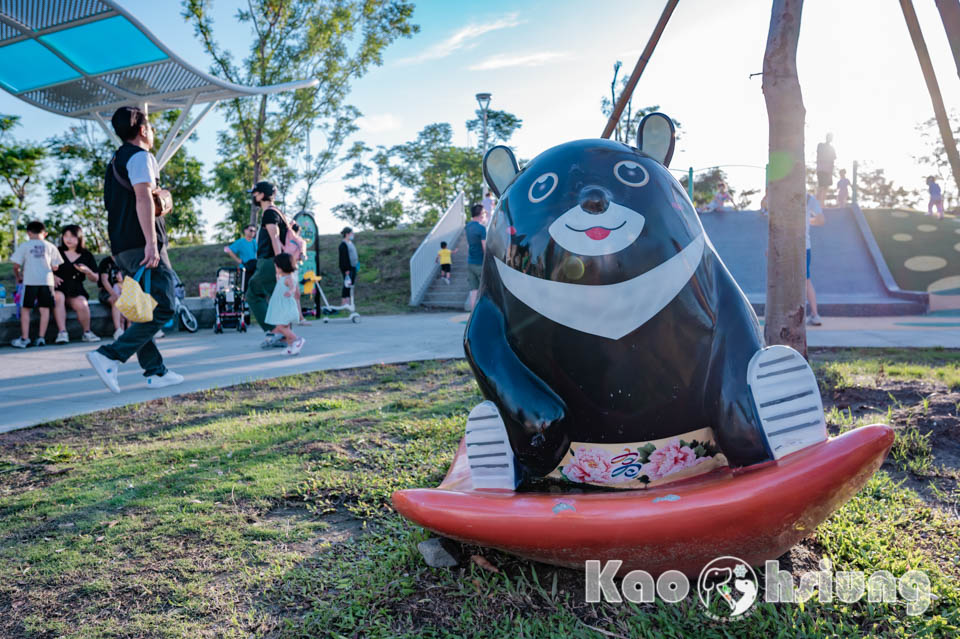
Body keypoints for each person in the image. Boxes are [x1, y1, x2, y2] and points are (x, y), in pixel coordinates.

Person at [85, 105, 184, 393]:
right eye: (150, 127)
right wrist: (152, 244)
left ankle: (155, 370)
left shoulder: (116, 160)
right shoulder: (141, 157)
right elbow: (143, 199)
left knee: (143, 309)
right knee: (165, 306)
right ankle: (109, 355)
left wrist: (116, 249)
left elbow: (113, 208)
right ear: (142, 129)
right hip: (142, 245)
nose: (152, 132)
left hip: (124, 246)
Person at [246, 181, 290, 348]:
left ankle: (277, 332)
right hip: (273, 261)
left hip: (269, 262)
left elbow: (275, 238)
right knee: (278, 299)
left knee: (253, 294)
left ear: (262, 194)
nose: (253, 196)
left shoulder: (269, 214)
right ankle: (283, 335)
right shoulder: (277, 212)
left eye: (255, 193)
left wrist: (279, 265)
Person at [9, 221, 62, 348]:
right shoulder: (51, 246)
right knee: (44, 309)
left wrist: (18, 276)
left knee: (25, 309)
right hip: (47, 282)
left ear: (28, 233)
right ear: (45, 233)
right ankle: (41, 338)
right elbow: (55, 267)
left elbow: (16, 266)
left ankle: (25, 338)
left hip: (30, 281)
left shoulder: (25, 246)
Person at [53, 224, 101, 344]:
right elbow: (43, 268)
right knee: (58, 297)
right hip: (58, 288)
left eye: (72, 236)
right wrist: (52, 276)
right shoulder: (56, 252)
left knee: (82, 303)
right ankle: (62, 333)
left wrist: (88, 271)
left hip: (76, 290)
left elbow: (95, 278)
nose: (68, 239)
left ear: (79, 238)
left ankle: (87, 332)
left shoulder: (86, 255)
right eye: (66, 236)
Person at [264, 252, 305, 356]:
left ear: (282, 267)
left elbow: (293, 288)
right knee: (284, 328)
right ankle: (291, 347)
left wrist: (290, 292)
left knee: (280, 327)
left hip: (286, 308)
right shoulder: (282, 278)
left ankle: (297, 340)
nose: (275, 268)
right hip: (282, 308)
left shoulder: (288, 279)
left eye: (276, 266)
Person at [806, 192, 826, 326]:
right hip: (803, 244)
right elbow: (821, 220)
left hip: (784, 245)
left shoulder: (780, 193)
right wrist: (808, 220)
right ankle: (815, 314)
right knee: (805, 280)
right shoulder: (808, 198)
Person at [284, 221, 309, 324]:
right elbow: (302, 256)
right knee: (293, 293)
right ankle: (298, 318)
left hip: (288, 267)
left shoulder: (287, 237)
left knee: (294, 293)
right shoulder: (300, 241)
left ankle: (298, 317)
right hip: (290, 268)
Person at [97, 254, 126, 340]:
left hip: (123, 290)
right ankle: (118, 330)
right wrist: (114, 294)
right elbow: (104, 280)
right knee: (116, 301)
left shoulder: (126, 260)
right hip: (107, 292)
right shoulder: (106, 262)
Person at [465, 203, 486, 310]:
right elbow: (484, 247)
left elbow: (468, 245)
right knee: (485, 290)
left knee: (474, 291)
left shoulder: (467, 227)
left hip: (470, 262)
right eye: (484, 213)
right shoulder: (481, 228)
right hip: (480, 263)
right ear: (481, 214)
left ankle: (473, 314)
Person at [224, 225, 258, 292]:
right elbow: (228, 250)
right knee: (245, 288)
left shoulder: (255, 242)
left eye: (254, 231)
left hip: (255, 268)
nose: (252, 232)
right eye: (251, 230)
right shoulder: (240, 242)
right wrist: (238, 260)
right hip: (245, 268)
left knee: (255, 288)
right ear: (245, 231)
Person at [339, 227, 358, 307]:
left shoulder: (350, 243)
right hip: (348, 268)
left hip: (353, 267)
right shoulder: (343, 244)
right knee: (347, 284)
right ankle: (344, 302)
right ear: (347, 234)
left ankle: (349, 301)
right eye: (351, 233)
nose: (353, 235)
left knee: (351, 284)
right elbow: (344, 258)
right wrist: (346, 269)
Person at [816, 133, 836, 205]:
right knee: (821, 187)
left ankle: (822, 204)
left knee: (825, 187)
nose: (830, 139)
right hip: (821, 169)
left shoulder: (832, 148)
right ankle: (816, 205)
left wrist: (831, 172)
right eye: (829, 137)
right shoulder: (820, 145)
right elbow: (819, 155)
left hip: (828, 170)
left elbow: (833, 159)